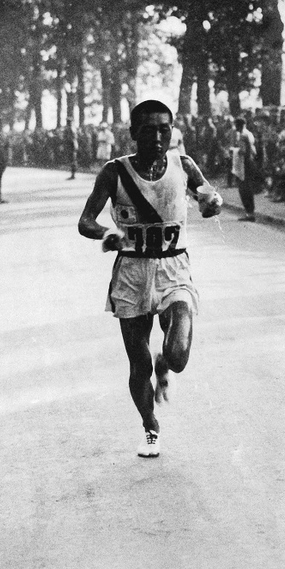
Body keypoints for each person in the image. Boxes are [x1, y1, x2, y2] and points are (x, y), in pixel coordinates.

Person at [77, 98, 223, 458]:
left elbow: (208, 198)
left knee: (178, 356)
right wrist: (106, 233)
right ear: (133, 134)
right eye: (148, 130)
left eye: (164, 129)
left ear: (172, 131)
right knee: (139, 364)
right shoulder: (114, 171)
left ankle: (166, 363)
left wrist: (212, 204)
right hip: (132, 273)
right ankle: (150, 426)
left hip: (174, 269)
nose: (157, 137)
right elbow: (85, 221)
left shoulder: (184, 165)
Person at [230, 116, 257, 222]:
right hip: (250, 163)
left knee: (244, 189)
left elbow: (243, 151)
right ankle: (250, 212)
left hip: (244, 164)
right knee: (248, 188)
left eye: (236, 125)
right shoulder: (249, 134)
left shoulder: (242, 135)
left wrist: (233, 150)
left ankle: (249, 213)